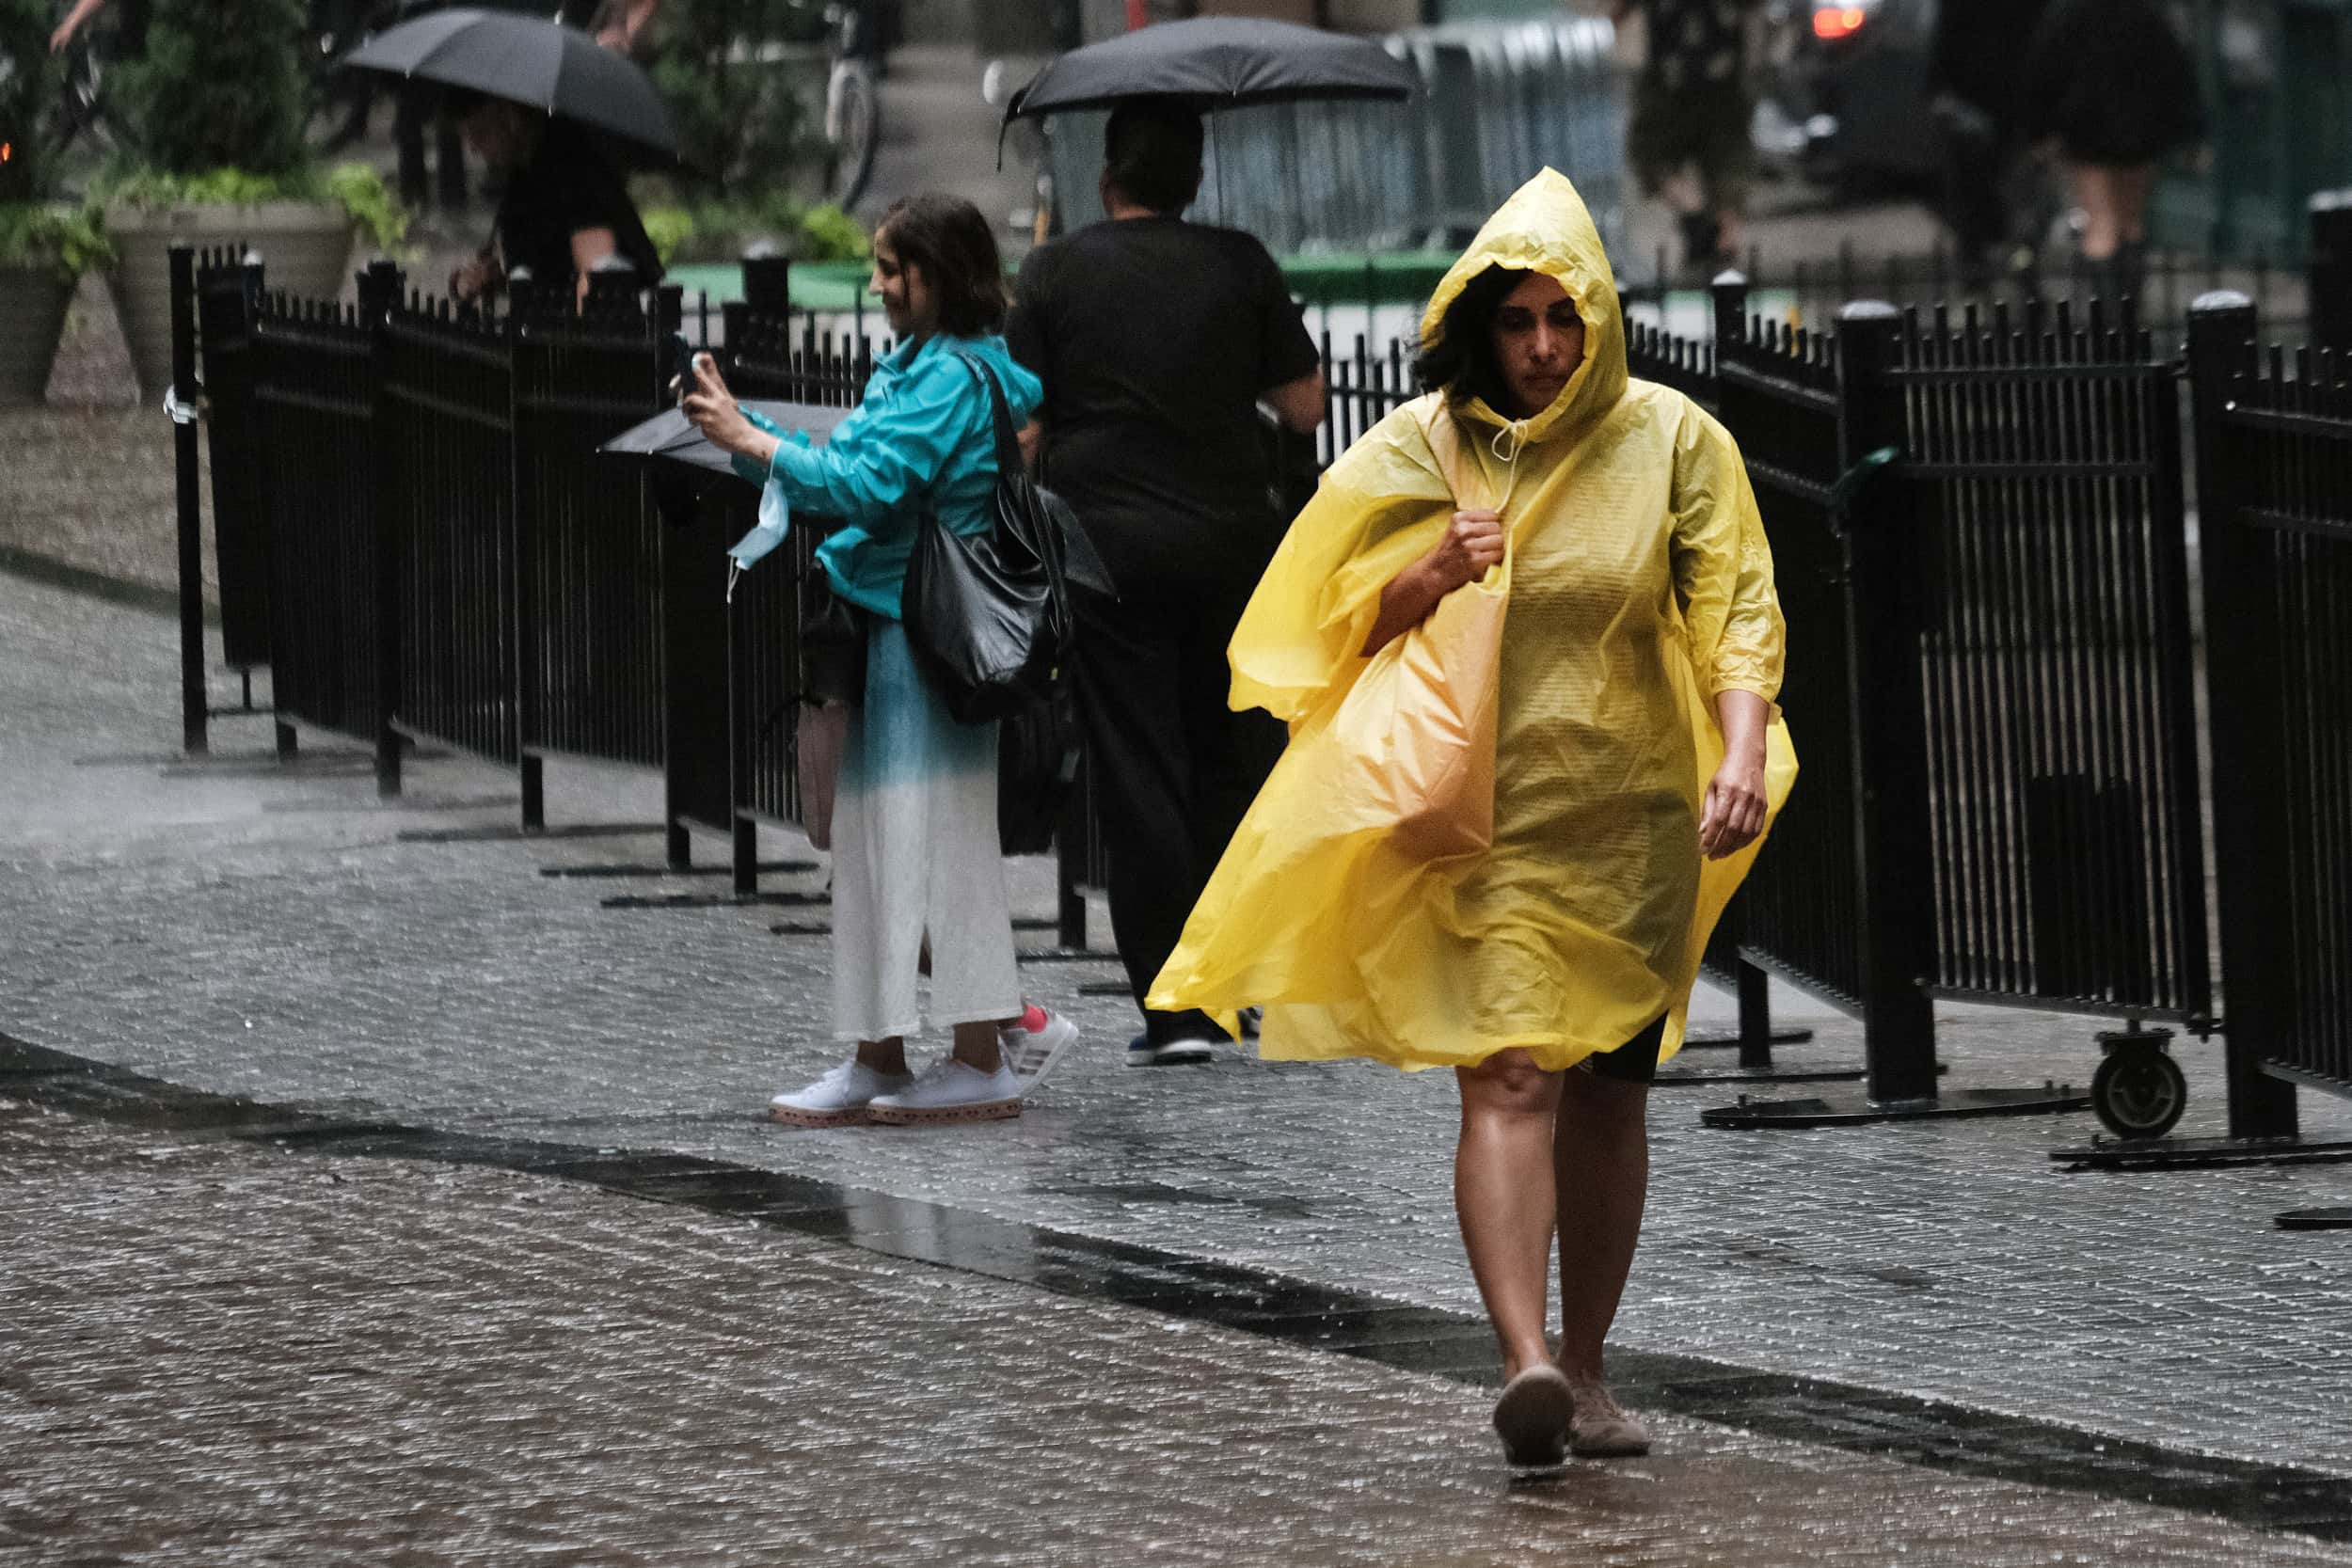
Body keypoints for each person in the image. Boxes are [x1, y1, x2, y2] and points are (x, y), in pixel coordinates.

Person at [1149, 169, 1792, 1466]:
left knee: (1611, 1089)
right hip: (1484, 816)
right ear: (1479, 327)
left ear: (1602, 317)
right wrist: (1427, 569)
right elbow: (1307, 628)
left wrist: (1736, 752)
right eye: (1519, 322)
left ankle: (1593, 1368)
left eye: (1567, 317)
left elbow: (1738, 606)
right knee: (1507, 1071)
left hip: (1635, 817)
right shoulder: (1418, 448)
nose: (1546, 346)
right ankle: (1526, 1361)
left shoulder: (1675, 438)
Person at [681, 193, 1080, 1127]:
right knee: (878, 849)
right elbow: (849, 462)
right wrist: (749, 443)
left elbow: (866, 484)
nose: (880, 286)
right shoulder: (918, 366)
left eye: (895, 268)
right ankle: (880, 1052)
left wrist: (751, 441)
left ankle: (973, 1055)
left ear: (942, 274)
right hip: (895, 632)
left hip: (926, 642)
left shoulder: (947, 378)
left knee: (932, 850)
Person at [1007, 99, 1327, 1069]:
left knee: (1138, 766)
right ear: (1192, 180)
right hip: (1231, 542)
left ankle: (1177, 1006)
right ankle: (1237, 977)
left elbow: (1020, 431)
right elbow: (1305, 403)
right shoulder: (1239, 260)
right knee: (1226, 756)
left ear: (1108, 176)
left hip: (1105, 549)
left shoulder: (1054, 269)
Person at [2018, 0, 2203, 298]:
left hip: (2087, 131)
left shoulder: (2070, 15)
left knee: (2101, 222)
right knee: (2131, 222)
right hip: (2139, 131)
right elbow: (2175, 70)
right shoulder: (2146, 14)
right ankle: (2129, 306)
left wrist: (2041, 132)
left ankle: (2108, 314)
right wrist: (2184, 130)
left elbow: (2043, 73)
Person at [446, 93, 663, 306]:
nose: (473, 148)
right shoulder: (519, 181)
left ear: (510, 117)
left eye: (479, 133)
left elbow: (597, 270)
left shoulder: (573, 168)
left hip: (600, 325)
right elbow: (541, 275)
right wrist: (499, 281)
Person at [1613, 0, 1758, 270]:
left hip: (1691, 80)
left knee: (1712, 165)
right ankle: (1712, 230)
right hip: (1698, 80)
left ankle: (1711, 229)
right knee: (1721, 166)